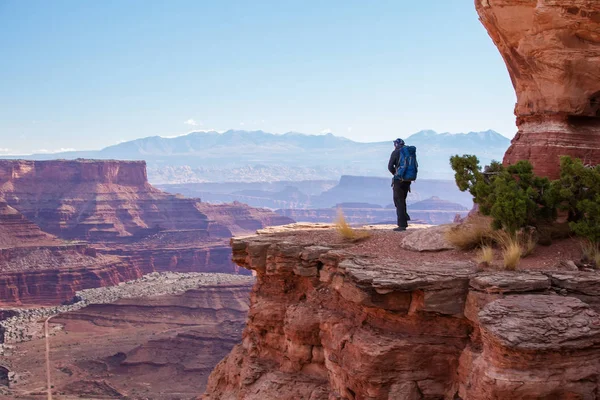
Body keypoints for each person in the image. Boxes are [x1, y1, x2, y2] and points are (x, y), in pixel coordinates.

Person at [388, 138, 411, 231]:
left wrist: (396, 174)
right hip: (408, 180)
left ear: (396, 144)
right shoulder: (409, 153)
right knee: (402, 200)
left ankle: (402, 225)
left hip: (399, 180)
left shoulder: (395, 152)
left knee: (398, 201)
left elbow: (390, 167)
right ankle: (404, 216)